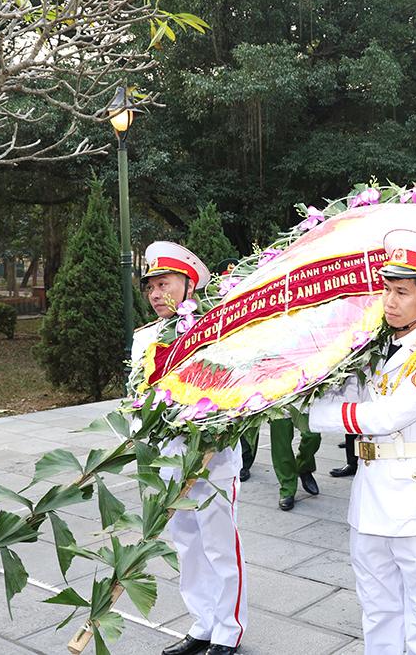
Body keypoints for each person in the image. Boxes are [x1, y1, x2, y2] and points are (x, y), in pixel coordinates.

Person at [309, 230, 416, 654]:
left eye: (401, 292)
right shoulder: (376, 346)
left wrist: (317, 413)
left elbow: (388, 415)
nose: (390, 301)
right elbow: (348, 394)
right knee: (375, 603)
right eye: (386, 290)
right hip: (371, 488)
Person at [134, 242, 246, 655]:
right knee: (187, 546)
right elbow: (137, 397)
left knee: (219, 545)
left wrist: (212, 435)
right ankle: (202, 624)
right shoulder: (144, 339)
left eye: (165, 284)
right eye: (150, 287)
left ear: (188, 285)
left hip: (212, 460)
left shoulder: (216, 332)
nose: (156, 294)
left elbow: (235, 389)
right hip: (170, 461)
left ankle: (229, 631)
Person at [270, 419, 321, 511]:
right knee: (281, 443)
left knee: (313, 436)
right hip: (278, 406)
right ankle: (287, 487)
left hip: (303, 405)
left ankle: (303, 466)